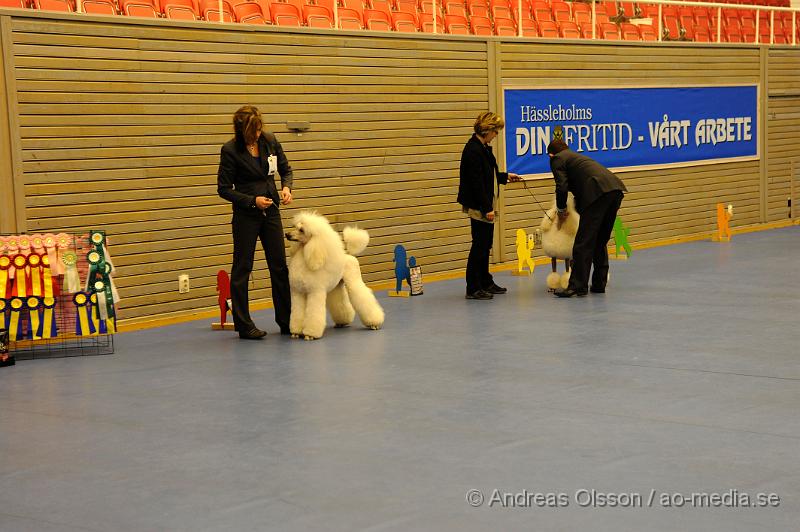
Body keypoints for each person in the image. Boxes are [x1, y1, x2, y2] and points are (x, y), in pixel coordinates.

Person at [217, 105, 294, 339]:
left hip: (271, 211)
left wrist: (286, 187)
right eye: (254, 131)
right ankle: (244, 325)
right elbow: (223, 189)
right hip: (246, 215)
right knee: (242, 268)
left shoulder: (270, 141)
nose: (258, 134)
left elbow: (285, 169)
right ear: (242, 131)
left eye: (260, 129)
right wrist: (252, 201)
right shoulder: (230, 150)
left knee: (279, 267)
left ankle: (286, 320)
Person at [546, 139, 627, 298]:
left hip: (597, 194)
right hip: (615, 190)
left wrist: (561, 209)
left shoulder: (557, 159)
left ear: (550, 154)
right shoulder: (575, 157)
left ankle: (577, 286)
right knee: (599, 240)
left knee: (583, 242)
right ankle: (599, 284)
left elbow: (561, 186)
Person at [457, 112, 520, 300]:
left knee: (486, 245)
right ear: (487, 130)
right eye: (495, 131)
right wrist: (487, 208)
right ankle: (473, 287)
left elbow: (489, 174)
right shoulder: (472, 150)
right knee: (479, 245)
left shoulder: (483, 147)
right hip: (479, 205)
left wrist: (505, 176)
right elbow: (476, 183)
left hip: (485, 202)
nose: (497, 135)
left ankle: (486, 281)